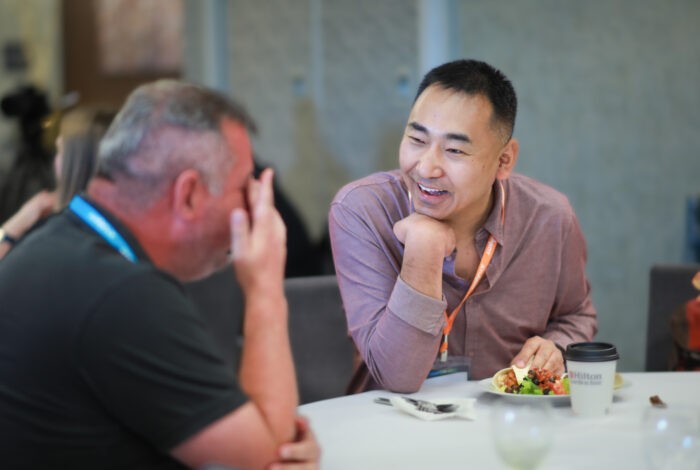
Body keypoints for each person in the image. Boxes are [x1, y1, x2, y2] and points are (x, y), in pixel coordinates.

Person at [0, 80, 319, 469]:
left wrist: (264, 434)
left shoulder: (55, 243)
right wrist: (265, 286)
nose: (255, 209)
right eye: (243, 189)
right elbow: (264, 461)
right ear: (188, 195)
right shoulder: (121, 293)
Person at [329, 59, 597, 393]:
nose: (427, 167)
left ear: (504, 160)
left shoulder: (550, 218)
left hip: (508, 417)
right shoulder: (363, 210)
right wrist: (423, 250)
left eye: (454, 150)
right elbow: (398, 377)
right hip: (394, 424)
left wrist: (555, 347)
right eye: (416, 139)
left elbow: (577, 315)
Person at [0, 107, 115, 260]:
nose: (54, 160)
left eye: (59, 150)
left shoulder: (53, 241)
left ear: (73, 164)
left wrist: (13, 227)